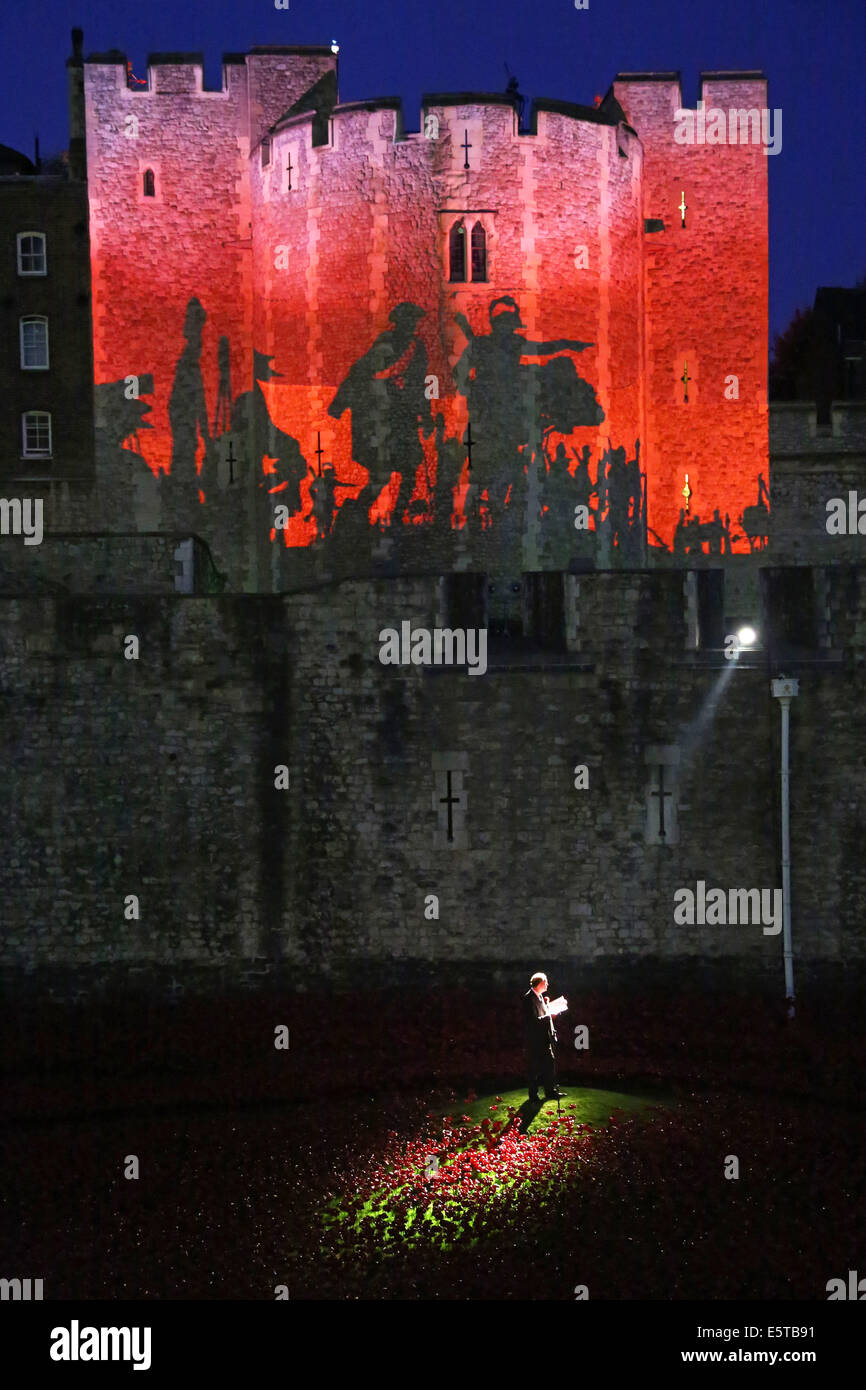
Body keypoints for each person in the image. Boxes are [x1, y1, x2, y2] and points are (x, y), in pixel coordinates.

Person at [522, 971, 567, 1102]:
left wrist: (548, 1007)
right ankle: (533, 1095)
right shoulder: (528, 998)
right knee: (535, 1068)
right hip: (536, 1040)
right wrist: (549, 1015)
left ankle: (550, 1092)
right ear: (540, 983)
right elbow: (532, 1021)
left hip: (544, 1038)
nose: (547, 984)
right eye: (546, 982)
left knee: (549, 1065)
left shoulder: (540, 997)